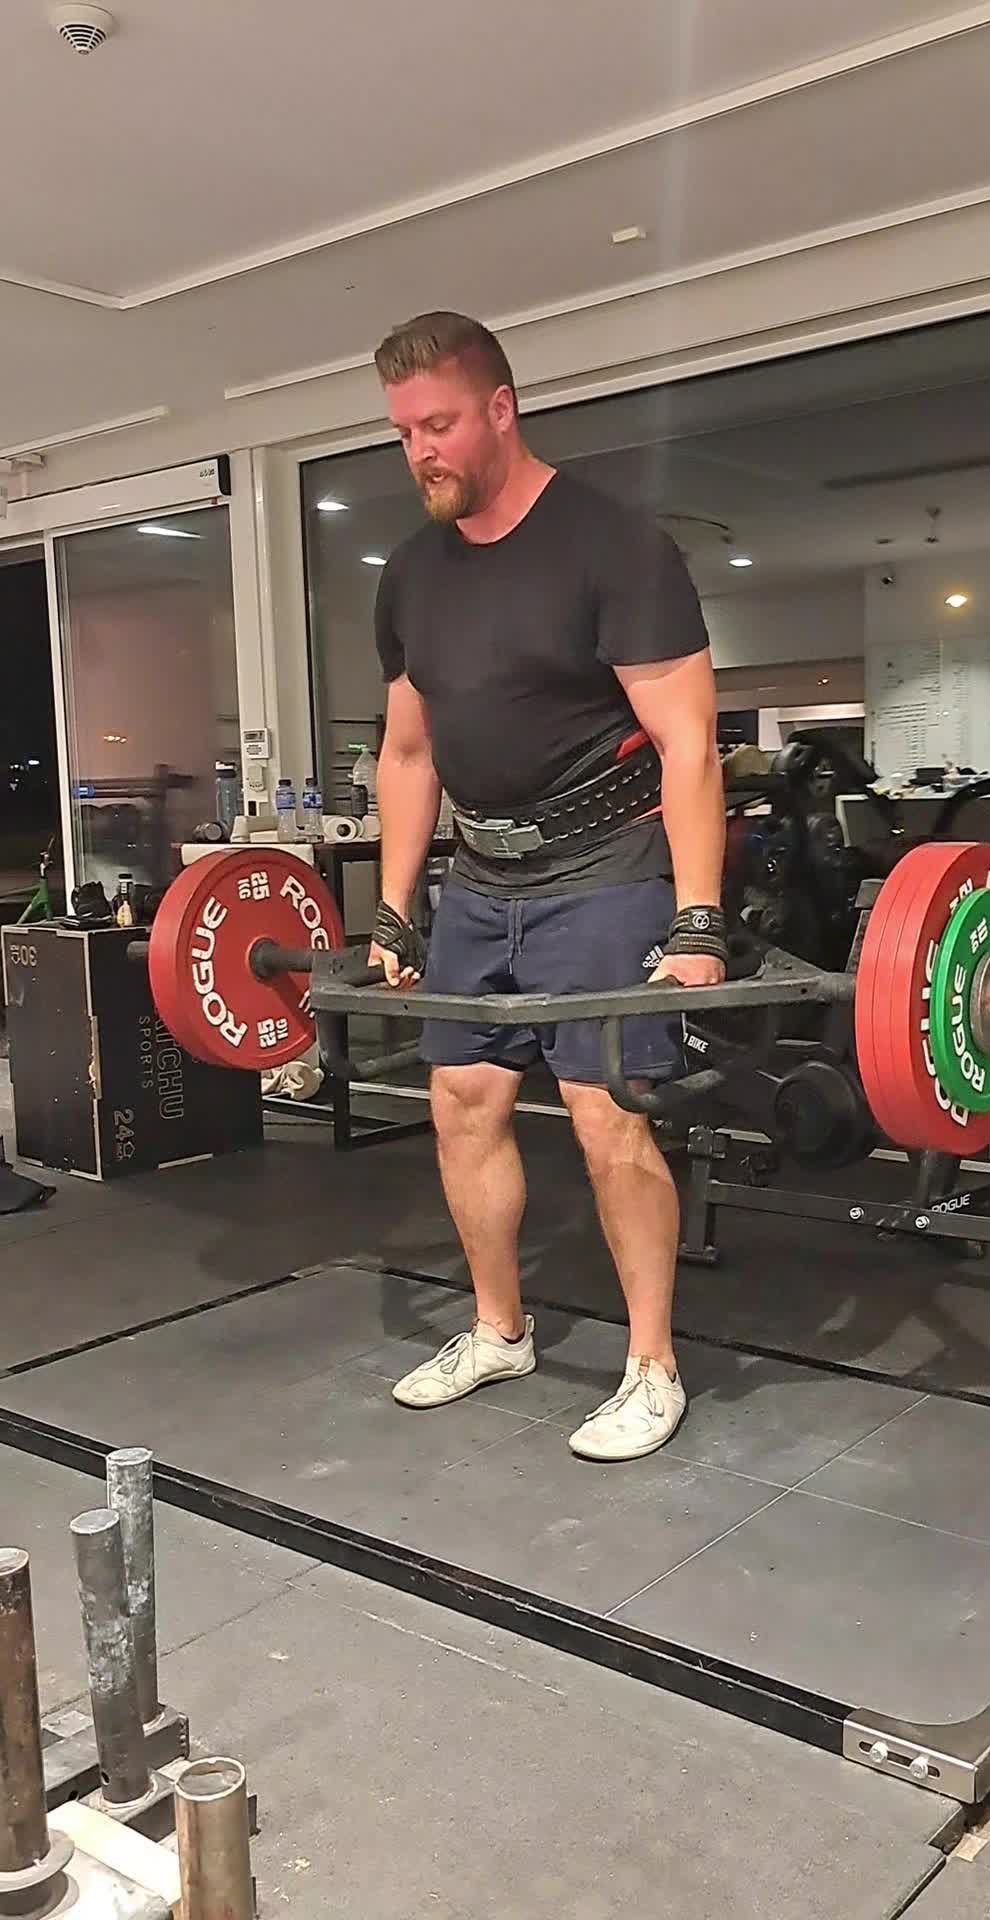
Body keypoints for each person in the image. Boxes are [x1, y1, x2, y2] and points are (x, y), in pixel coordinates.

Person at [370, 311, 726, 1462]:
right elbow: (409, 753)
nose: (421, 451)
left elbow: (687, 743)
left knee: (605, 1113)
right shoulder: (411, 575)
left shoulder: (612, 546)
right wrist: (395, 908)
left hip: (607, 864)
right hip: (480, 879)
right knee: (461, 1100)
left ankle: (652, 1365)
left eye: (438, 424)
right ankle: (500, 1329)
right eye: (403, 433)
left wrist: (698, 919)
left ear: (501, 408)